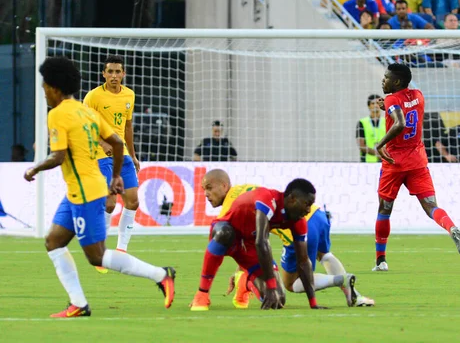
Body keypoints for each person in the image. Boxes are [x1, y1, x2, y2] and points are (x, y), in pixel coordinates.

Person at [24, 57, 175, 318]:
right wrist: (116, 175)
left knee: (97, 256)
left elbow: (58, 157)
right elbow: (117, 144)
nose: (44, 90)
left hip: (85, 192)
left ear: (56, 87)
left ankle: (161, 275)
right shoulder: (88, 110)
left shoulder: (58, 114)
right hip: (77, 190)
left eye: (45, 85)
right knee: (53, 242)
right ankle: (78, 304)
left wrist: (34, 168)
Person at [200, 170, 375, 308]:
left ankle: (339, 280)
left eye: (209, 188)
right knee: (324, 254)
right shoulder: (246, 189)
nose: (206, 194)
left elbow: (240, 240)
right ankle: (353, 294)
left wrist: (243, 271)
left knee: (291, 283)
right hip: (318, 215)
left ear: (224, 186)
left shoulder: (232, 203)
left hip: (299, 223)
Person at [373, 63, 460, 272]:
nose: (383, 80)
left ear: (396, 82)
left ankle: (380, 260)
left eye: (387, 77)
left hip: (394, 161)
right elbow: (403, 107)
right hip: (417, 160)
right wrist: (388, 106)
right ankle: (451, 227)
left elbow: (399, 122)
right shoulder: (418, 94)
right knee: (431, 206)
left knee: (385, 209)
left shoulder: (392, 99)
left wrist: (379, 144)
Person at [189, 177, 327, 311]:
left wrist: (313, 303)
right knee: (225, 233)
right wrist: (271, 286)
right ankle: (202, 294)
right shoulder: (267, 198)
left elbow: (303, 261)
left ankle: (245, 282)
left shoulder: (298, 221)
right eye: (306, 204)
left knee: (278, 300)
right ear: (292, 199)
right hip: (227, 231)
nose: (308, 210)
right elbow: (261, 242)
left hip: (249, 245)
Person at [83, 55, 140, 273]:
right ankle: (101, 252)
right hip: (99, 155)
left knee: (133, 201)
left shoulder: (129, 95)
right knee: (109, 204)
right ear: (103, 74)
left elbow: (127, 127)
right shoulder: (93, 97)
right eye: (110, 72)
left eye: (118, 72)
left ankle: (122, 250)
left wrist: (133, 155)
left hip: (122, 155)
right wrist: (101, 141)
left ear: (123, 74)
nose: (114, 76)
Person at [356, 94, 385, 162]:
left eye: (377, 103)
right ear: (369, 106)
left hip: (385, 160)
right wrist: (378, 154)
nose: (375, 105)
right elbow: (362, 146)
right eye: (372, 103)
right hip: (367, 162)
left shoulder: (386, 121)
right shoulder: (362, 123)